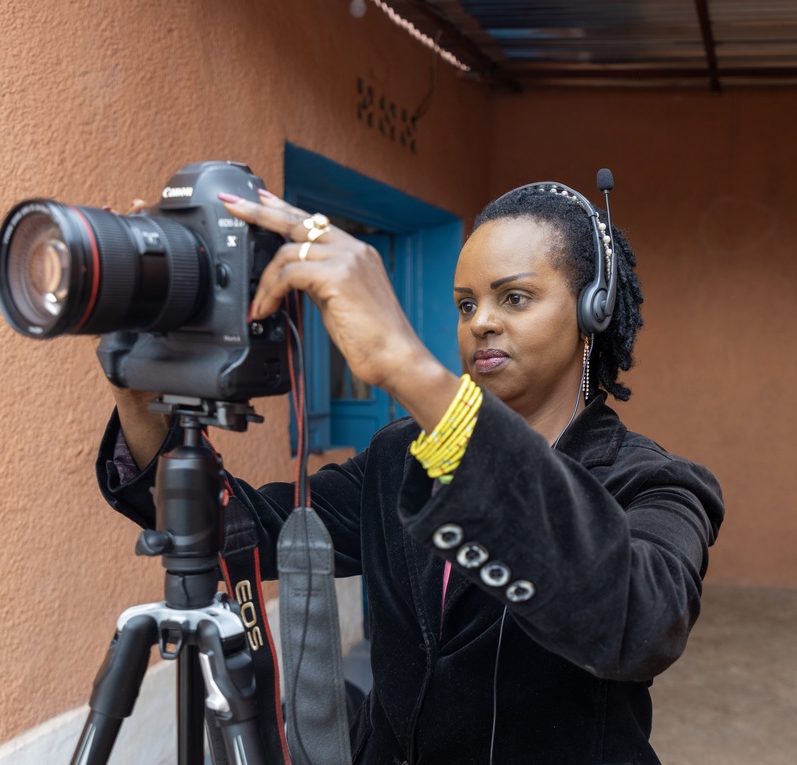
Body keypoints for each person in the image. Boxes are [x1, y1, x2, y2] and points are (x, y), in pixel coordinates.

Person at [97, 181, 724, 764]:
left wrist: (403, 361)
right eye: (466, 304)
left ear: (593, 311)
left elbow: (639, 624)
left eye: (515, 297)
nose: (481, 321)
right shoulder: (402, 454)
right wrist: (139, 394)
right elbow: (241, 531)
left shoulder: (655, 483)